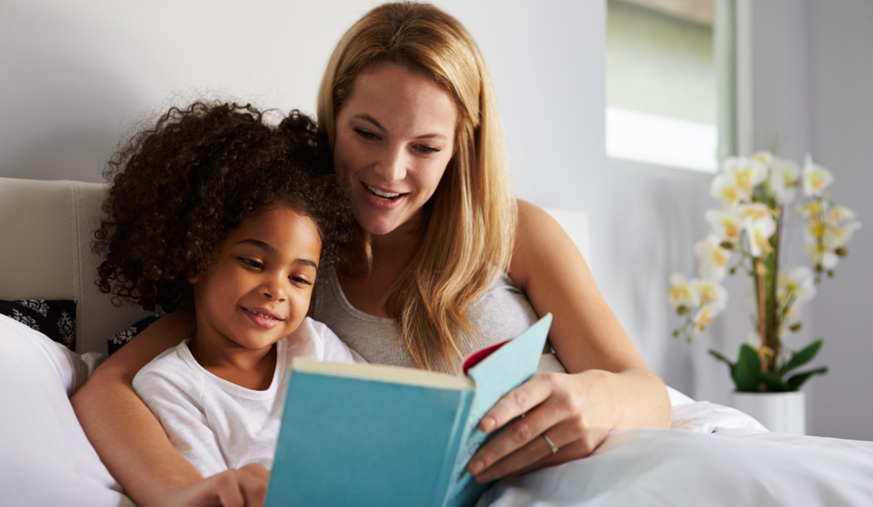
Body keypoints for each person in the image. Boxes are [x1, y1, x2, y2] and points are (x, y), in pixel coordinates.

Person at [72, 3, 672, 506]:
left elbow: (646, 391)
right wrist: (191, 494)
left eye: (426, 147)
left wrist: (589, 399)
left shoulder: (517, 234)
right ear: (334, 117)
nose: (390, 172)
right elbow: (109, 388)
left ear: (462, 145)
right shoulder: (291, 244)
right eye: (367, 133)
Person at [90, 101, 355, 486]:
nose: (277, 290)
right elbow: (209, 491)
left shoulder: (317, 347)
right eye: (253, 262)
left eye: (299, 279)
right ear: (194, 260)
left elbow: (367, 443)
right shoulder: (170, 383)